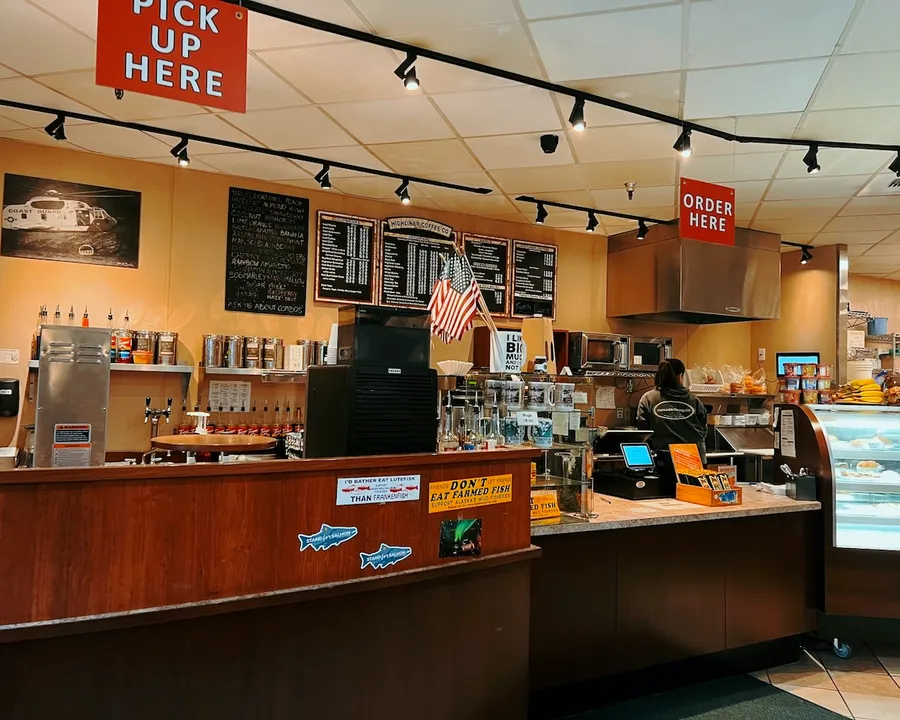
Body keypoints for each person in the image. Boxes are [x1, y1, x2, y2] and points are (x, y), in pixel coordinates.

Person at [636, 358, 709, 464]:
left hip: (664, 459)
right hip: (693, 459)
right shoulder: (694, 400)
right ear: (680, 376)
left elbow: (643, 431)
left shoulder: (648, 399)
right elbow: (703, 429)